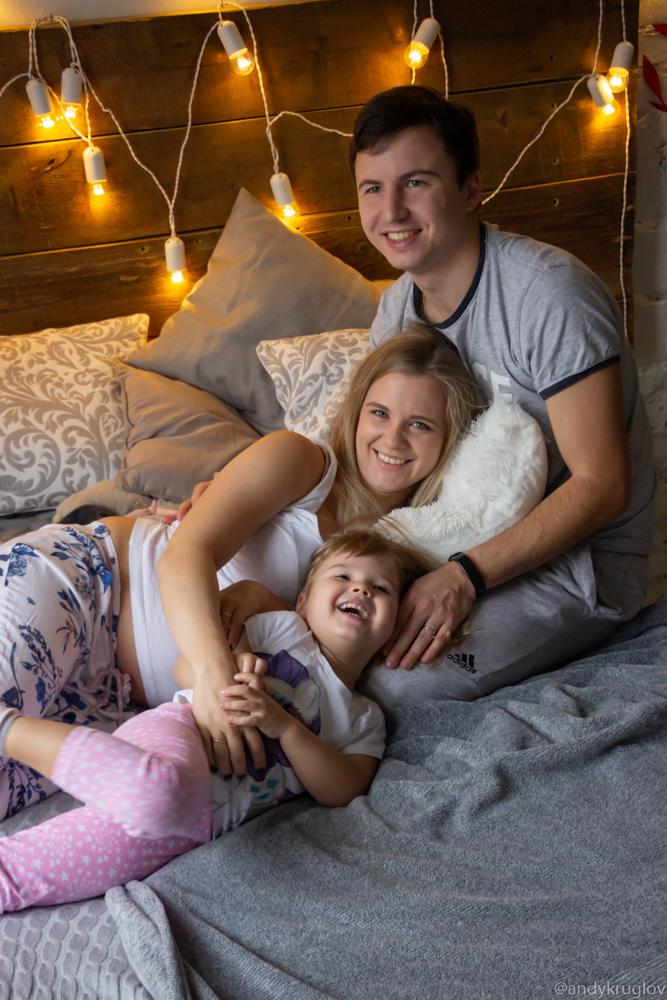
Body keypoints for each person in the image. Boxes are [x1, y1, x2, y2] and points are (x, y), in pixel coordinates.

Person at [0, 329, 482, 818]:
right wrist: (215, 676)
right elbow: (185, 555)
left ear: (451, 440)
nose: (393, 439)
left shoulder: (411, 554)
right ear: (357, 412)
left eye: (420, 424)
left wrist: (259, 599)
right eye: (379, 413)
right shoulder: (304, 462)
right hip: (91, 586)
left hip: (119, 699)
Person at [348, 84, 656, 702]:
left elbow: (602, 485)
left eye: (415, 183)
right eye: (372, 189)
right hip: (446, 540)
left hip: (576, 564)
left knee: (391, 685)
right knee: (325, 634)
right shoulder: (395, 311)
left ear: (470, 189)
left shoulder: (548, 295)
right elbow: (379, 461)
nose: (392, 212)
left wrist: (465, 576)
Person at [0, 530, 432, 912]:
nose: (360, 589)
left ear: (394, 628)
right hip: (179, 730)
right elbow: (184, 668)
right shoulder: (282, 629)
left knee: (19, 878)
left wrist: (286, 727)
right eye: (343, 576)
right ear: (302, 601)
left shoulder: (364, 716)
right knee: (159, 791)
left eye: (380, 588)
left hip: (198, 823)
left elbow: (344, 788)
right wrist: (230, 673)